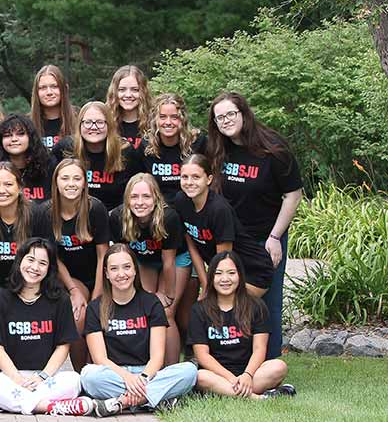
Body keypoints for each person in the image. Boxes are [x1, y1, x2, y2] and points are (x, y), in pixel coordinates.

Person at [207, 92, 303, 360]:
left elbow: (293, 194)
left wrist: (275, 236)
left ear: (244, 113)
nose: (225, 121)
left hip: (266, 238)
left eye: (230, 114)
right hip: (231, 239)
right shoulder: (217, 150)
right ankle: (236, 362)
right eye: (219, 118)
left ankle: (269, 363)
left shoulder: (273, 148)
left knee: (266, 304)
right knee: (230, 299)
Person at [0, 238, 95, 415]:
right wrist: (16, 378)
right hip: (10, 377)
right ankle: (50, 407)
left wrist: (43, 376)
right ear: (20, 261)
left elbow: (63, 346)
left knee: (75, 379)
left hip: (46, 378)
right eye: (30, 260)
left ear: (49, 269)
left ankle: (3, 404)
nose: (35, 267)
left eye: (42, 263)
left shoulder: (60, 300)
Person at [80, 244, 197, 416]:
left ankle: (122, 403)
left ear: (135, 270)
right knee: (88, 376)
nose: (121, 274)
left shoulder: (152, 303)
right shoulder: (95, 308)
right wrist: (128, 378)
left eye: (127, 267)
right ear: (106, 274)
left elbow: (157, 357)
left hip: (147, 373)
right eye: (114, 269)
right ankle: (153, 400)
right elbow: (100, 359)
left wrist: (141, 379)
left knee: (189, 371)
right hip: (114, 374)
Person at [188, 251, 295, 399]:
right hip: (217, 374)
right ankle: (258, 398)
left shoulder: (256, 306)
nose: (225, 279)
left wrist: (247, 375)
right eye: (218, 273)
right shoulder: (199, 310)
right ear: (211, 277)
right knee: (200, 376)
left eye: (231, 273)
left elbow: (259, 349)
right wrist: (231, 378)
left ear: (240, 276)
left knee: (278, 367)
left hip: (250, 373)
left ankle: (225, 392)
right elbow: (202, 356)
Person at [110, 173, 188, 365]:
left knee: (166, 312)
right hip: (144, 261)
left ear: (156, 198)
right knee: (145, 306)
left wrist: (168, 295)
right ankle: (149, 363)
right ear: (127, 198)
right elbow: (125, 256)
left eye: (146, 196)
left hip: (175, 259)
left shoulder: (168, 217)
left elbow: (168, 261)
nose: (140, 202)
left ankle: (171, 370)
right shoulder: (119, 217)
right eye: (134, 197)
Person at [40, 158, 110, 370]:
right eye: (65, 178)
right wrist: (72, 289)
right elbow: (53, 257)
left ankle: (96, 365)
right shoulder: (45, 212)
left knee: (95, 313)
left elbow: (103, 255)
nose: (71, 183)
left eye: (76, 178)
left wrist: (98, 295)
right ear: (56, 182)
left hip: (96, 274)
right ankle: (81, 373)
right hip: (66, 276)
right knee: (77, 314)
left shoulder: (95, 208)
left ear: (84, 182)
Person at [173, 154, 274, 298]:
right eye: (184, 177)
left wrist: (210, 290)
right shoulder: (181, 201)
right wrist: (205, 284)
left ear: (208, 179)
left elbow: (224, 259)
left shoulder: (219, 209)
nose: (189, 182)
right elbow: (192, 245)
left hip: (251, 270)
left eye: (196, 177)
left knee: (231, 312)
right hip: (224, 272)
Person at [0, 162, 53, 308]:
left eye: (8, 184)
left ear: (19, 187)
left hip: (32, 282)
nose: (2, 190)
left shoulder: (36, 214)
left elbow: (46, 258)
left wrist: (29, 293)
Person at [53, 101, 137, 211]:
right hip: (74, 213)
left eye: (100, 122)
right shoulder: (66, 148)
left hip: (114, 216)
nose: (93, 127)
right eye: (87, 122)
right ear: (80, 125)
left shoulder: (125, 151)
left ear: (109, 125)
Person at [0, 114, 54, 204]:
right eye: (7, 135)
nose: (14, 139)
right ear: (0, 140)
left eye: (20, 134)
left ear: (31, 137)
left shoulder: (48, 163)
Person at [136, 93, 206, 203]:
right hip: (157, 207)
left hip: (190, 205)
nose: (168, 122)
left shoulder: (197, 142)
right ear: (155, 119)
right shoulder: (146, 145)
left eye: (174, 117)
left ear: (182, 119)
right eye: (163, 117)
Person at [29, 65, 76, 150]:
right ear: (36, 92)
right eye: (43, 88)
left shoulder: (79, 119)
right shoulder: (27, 123)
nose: (49, 92)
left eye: (54, 86)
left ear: (64, 89)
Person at [105, 65, 152, 150]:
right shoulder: (105, 123)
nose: (128, 95)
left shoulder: (154, 122)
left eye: (135, 90)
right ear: (114, 92)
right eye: (122, 90)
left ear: (143, 92)